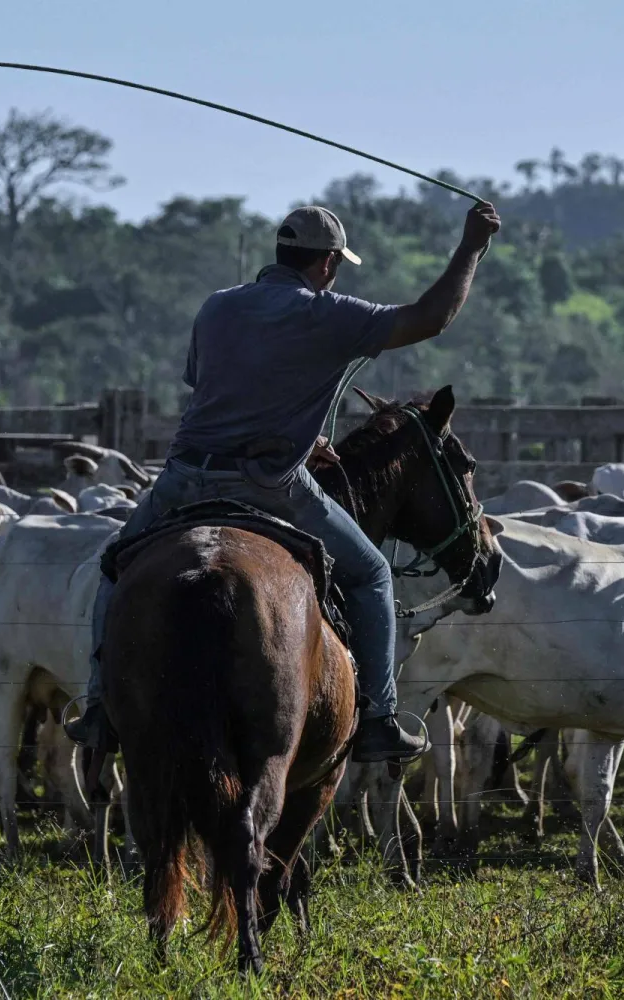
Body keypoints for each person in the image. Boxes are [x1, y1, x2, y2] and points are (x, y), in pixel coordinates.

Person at [66, 200, 501, 763]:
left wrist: (299, 430)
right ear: (327, 263)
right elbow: (431, 318)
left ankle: (99, 706)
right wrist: (472, 247)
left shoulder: (217, 307)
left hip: (184, 477)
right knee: (371, 574)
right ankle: (377, 718)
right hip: (269, 483)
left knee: (114, 564)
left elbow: (217, 385)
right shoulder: (327, 313)